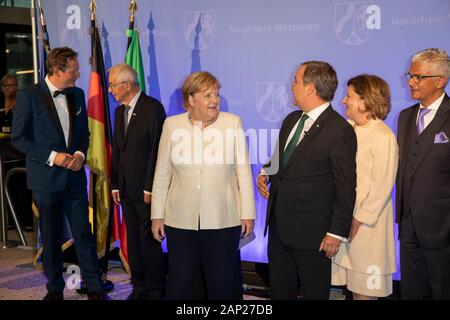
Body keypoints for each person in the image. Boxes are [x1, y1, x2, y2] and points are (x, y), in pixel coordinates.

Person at [11, 47, 108, 300]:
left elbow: (84, 135)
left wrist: (79, 155)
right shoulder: (29, 96)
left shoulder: (77, 93)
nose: (78, 75)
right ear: (57, 70)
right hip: (46, 180)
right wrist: (54, 157)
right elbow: (19, 139)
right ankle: (54, 289)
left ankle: (95, 287)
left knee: (83, 234)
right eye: (74, 70)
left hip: (74, 179)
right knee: (52, 237)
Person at [151, 71, 256, 300]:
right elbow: (162, 174)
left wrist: (247, 213)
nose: (215, 100)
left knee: (222, 284)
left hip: (222, 219)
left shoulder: (232, 122)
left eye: (216, 94)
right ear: (190, 99)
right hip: (180, 220)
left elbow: (243, 173)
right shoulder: (171, 125)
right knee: (181, 282)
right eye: (207, 95)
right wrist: (157, 215)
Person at [257, 61, 357, 300]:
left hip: (314, 233)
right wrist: (265, 173)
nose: (292, 86)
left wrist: (336, 232)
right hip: (279, 226)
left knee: (314, 292)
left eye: (296, 81)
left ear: (310, 88)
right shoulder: (291, 120)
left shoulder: (339, 130)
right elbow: (280, 158)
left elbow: (345, 187)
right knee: (281, 290)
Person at [331, 74, 398, 299]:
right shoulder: (346, 129)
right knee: (344, 289)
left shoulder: (383, 136)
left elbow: (382, 187)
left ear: (365, 101)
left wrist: (357, 220)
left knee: (364, 293)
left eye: (348, 96)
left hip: (367, 230)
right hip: (343, 226)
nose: (343, 101)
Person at [109, 63, 166, 300]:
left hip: (147, 190)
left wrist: (150, 186)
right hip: (125, 189)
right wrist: (115, 184)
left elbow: (158, 150)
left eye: (113, 85)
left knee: (149, 242)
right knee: (133, 241)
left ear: (127, 84)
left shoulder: (152, 108)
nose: (110, 89)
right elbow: (118, 150)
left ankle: (155, 290)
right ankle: (139, 287)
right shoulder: (119, 111)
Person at [396, 48, 450, 300]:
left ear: (440, 81)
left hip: (443, 229)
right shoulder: (405, 117)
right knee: (412, 290)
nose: (410, 82)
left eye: (418, 77)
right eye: (411, 75)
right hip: (408, 227)